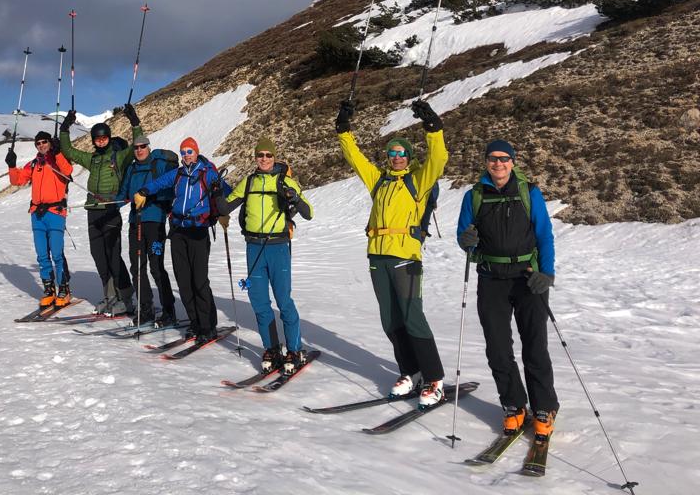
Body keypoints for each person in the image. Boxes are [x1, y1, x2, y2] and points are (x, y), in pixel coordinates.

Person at [336, 98, 449, 407]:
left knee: (413, 318)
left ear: (408, 157)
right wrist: (343, 129)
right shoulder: (379, 181)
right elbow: (355, 159)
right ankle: (410, 372)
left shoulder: (418, 181)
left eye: (401, 153)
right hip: (378, 256)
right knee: (391, 320)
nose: (396, 157)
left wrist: (432, 127)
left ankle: (434, 379)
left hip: (405, 258)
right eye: (392, 153)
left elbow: (438, 158)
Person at [456, 139, 558, 441]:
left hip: (528, 277)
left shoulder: (529, 192)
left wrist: (547, 274)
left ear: (513, 162)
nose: (498, 163)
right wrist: (467, 241)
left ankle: (544, 407)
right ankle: (513, 404)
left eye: (504, 158)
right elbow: (463, 235)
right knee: (498, 347)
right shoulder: (474, 196)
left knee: (535, 345)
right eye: (492, 158)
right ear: (486, 162)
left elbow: (545, 235)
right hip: (491, 278)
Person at [217, 136, 313, 375]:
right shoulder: (248, 182)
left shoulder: (285, 181)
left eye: (268, 155)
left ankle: (294, 350)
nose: (264, 159)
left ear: (274, 157)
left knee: (284, 301)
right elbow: (225, 207)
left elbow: (308, 212)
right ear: (255, 157)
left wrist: (294, 197)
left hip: (278, 248)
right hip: (254, 248)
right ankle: (272, 348)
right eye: (260, 155)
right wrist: (216, 191)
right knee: (259, 301)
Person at [134, 137, 230, 342]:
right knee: (184, 281)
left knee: (199, 281)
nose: (186, 155)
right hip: (178, 230)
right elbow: (159, 183)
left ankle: (208, 326)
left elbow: (228, 192)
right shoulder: (178, 174)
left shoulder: (208, 172)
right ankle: (195, 323)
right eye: (183, 152)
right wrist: (144, 191)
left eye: (189, 151)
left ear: (196, 152)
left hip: (198, 231)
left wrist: (222, 208)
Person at [59, 104, 143, 315]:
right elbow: (68, 151)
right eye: (97, 139)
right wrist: (65, 128)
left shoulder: (119, 157)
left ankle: (126, 298)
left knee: (113, 255)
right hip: (93, 211)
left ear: (109, 138)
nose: (101, 141)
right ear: (94, 141)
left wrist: (134, 122)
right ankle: (109, 296)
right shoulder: (92, 159)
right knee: (99, 256)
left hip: (110, 210)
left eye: (104, 138)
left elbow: (136, 145)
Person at [116, 134, 179, 326]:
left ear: (148, 147)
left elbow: (169, 188)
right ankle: (146, 308)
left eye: (143, 146)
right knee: (137, 267)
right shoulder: (132, 169)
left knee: (156, 266)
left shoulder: (158, 165)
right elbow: (124, 193)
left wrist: (150, 196)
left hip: (155, 222)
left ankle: (169, 310)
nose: (139, 150)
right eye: (136, 147)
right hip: (136, 222)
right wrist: (109, 204)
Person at [6, 131, 74, 306]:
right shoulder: (34, 164)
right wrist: (12, 166)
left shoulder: (56, 160)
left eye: (44, 142)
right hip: (37, 214)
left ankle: (64, 289)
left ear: (50, 143)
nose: (42, 145)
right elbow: (17, 180)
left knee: (57, 253)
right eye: (38, 143)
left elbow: (68, 171)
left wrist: (57, 153)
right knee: (42, 254)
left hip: (56, 212)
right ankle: (49, 289)